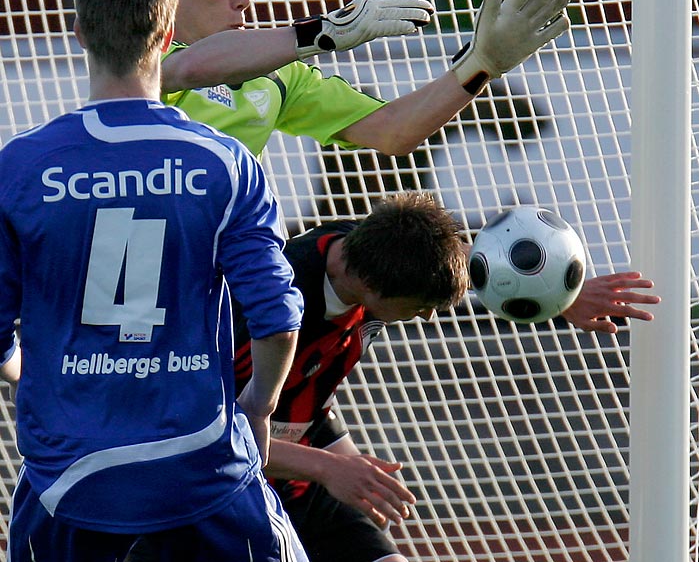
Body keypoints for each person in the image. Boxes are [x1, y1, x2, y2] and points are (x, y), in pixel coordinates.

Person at [127, 192, 660, 562]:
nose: (428, 318)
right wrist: (330, 469)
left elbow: (428, 259)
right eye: (418, 308)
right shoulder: (261, 309)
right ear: (370, 291)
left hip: (298, 480)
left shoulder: (367, 255)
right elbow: (189, 430)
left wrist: (553, 298)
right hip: (210, 494)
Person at [0, 0, 309, 561]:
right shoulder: (223, 162)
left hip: (69, 479)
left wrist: (34, 377)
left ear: (81, 31)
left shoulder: (21, 166)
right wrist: (258, 406)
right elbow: (277, 318)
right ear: (169, 35)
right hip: (204, 473)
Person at [142, 0, 572, 158]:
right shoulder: (135, 53)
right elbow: (187, 69)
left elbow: (393, 131)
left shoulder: (278, 75)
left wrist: (481, 65)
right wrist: (320, 32)